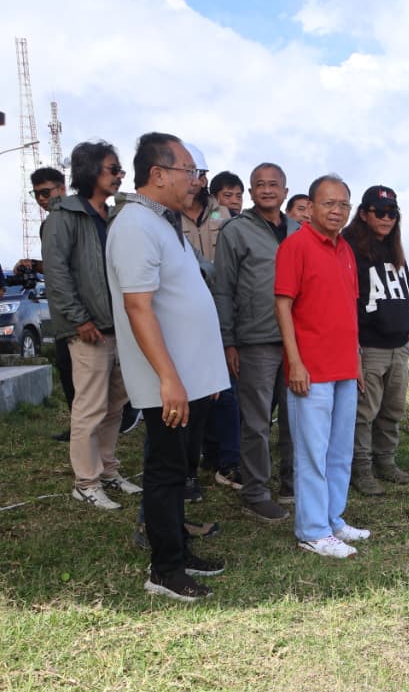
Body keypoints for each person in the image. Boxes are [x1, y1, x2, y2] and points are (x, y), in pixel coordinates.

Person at [106, 132, 228, 600]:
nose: (197, 181)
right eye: (189, 172)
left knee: (180, 469)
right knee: (164, 471)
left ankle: (178, 547)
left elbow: (183, 300)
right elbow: (139, 308)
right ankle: (165, 569)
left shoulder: (165, 222)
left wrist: (204, 374)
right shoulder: (136, 225)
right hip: (168, 380)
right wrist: (170, 379)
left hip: (187, 378)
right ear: (157, 174)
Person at [40, 141, 141, 510]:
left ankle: (108, 469)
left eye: (119, 170)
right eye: (113, 169)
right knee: (90, 407)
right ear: (90, 173)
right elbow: (56, 273)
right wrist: (78, 318)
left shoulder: (114, 215)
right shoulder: (63, 217)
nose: (119, 176)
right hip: (88, 329)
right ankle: (86, 481)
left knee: (116, 405)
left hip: (119, 326)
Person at [275, 174, 369, 558]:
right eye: (329, 203)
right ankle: (312, 530)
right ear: (310, 208)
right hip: (309, 370)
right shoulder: (295, 246)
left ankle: (332, 519)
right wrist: (294, 362)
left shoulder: (345, 249)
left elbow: (349, 308)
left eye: (343, 204)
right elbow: (283, 305)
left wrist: (357, 358)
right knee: (311, 451)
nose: (337, 210)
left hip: (344, 366)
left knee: (338, 450)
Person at [214, 162, 298, 523]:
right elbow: (223, 288)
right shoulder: (236, 231)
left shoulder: (297, 230)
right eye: (259, 185)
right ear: (251, 192)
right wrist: (228, 341)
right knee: (257, 421)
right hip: (255, 340)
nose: (267, 190)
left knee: (296, 417)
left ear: (284, 189)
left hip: (295, 340)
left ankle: (293, 483)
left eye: (273, 184)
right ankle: (255, 492)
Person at [345, 185, 409, 495]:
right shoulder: (350, 249)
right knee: (364, 414)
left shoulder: (394, 249)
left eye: (392, 213)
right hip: (370, 346)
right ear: (363, 214)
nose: (387, 218)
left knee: (393, 409)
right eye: (379, 212)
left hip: (398, 346)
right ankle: (361, 470)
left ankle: (386, 463)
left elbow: (405, 291)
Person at [179, 145, 240, 492]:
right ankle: (190, 468)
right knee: (191, 397)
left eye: (200, 174)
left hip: (220, 312)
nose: (196, 180)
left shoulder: (222, 215)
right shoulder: (168, 217)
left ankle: (228, 461)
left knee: (227, 392)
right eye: (192, 173)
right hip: (184, 316)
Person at [31, 167, 75, 440]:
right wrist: (34, 265)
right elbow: (56, 267)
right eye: (36, 194)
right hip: (61, 314)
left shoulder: (76, 217)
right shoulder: (47, 225)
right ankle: (79, 427)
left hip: (80, 311)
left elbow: (73, 267)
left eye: (46, 192)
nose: (42, 199)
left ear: (62, 188)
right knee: (67, 371)